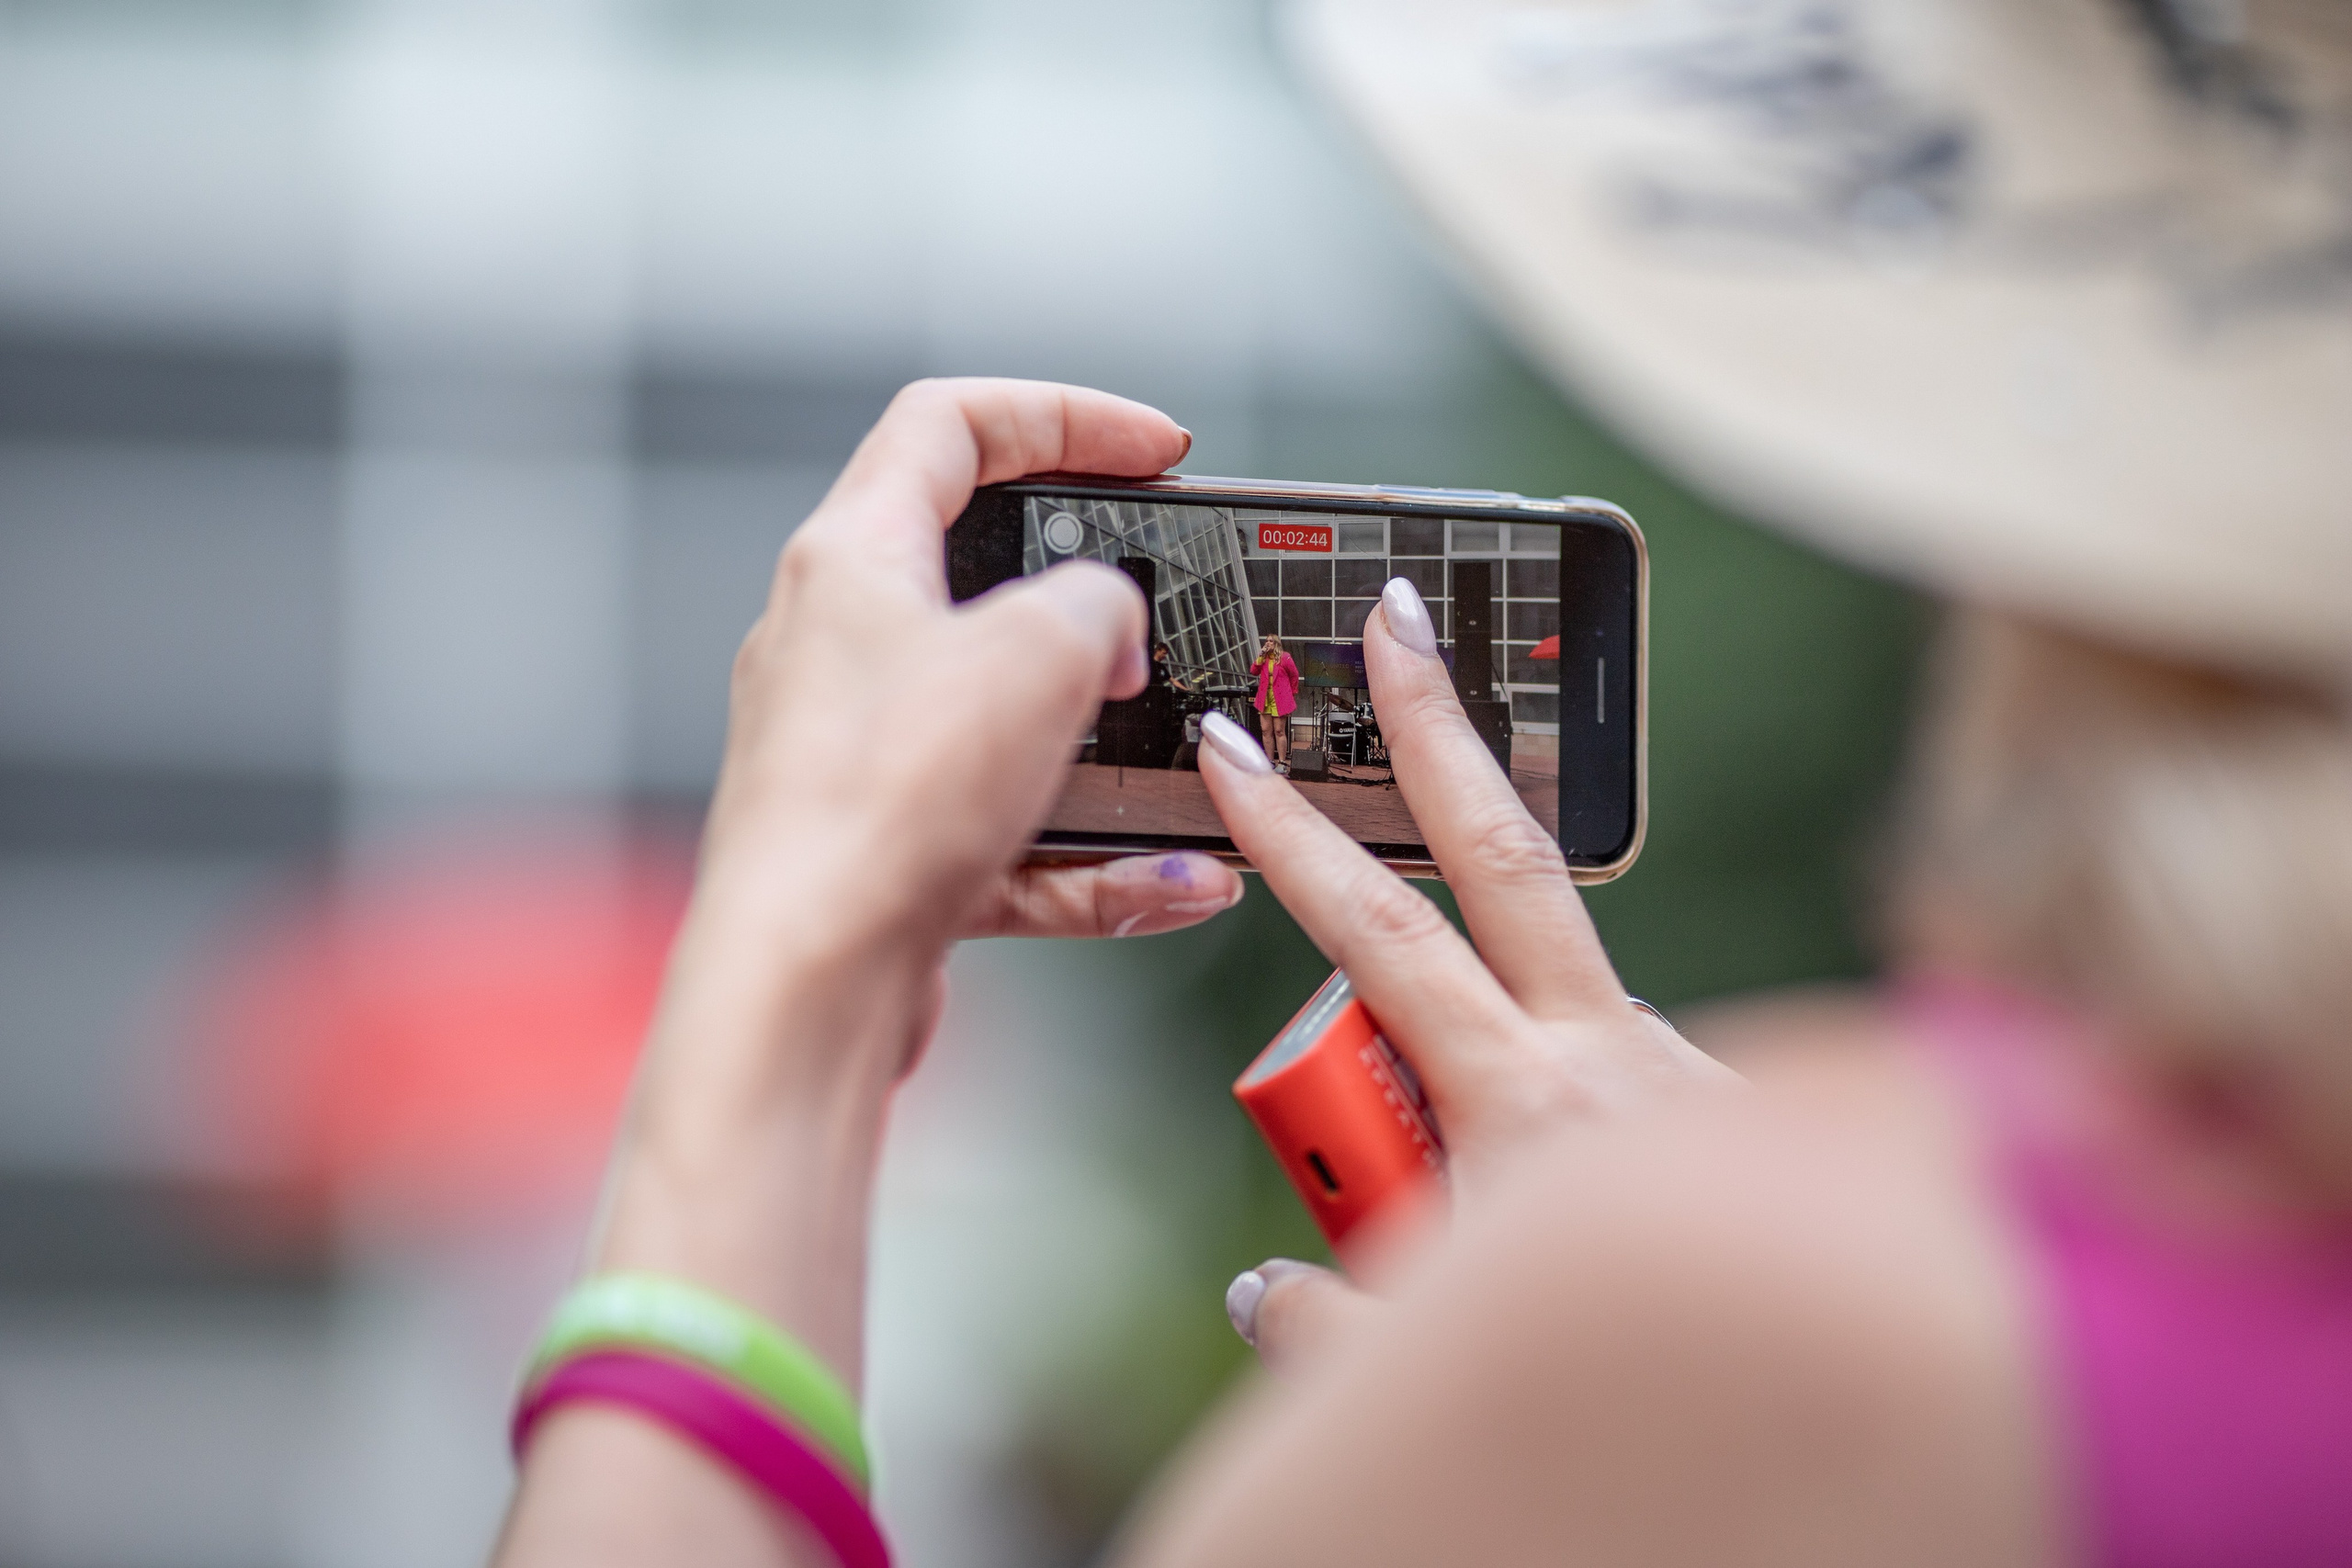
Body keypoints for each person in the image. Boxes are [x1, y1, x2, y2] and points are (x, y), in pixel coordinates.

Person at [1250, 633, 1298, 773]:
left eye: (1271, 641)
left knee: (1279, 730)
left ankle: (1282, 762)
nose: (1268, 643)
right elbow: (1253, 671)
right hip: (1265, 697)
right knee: (1266, 731)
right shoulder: (1263, 658)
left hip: (1280, 697)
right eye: (1266, 641)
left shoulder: (1285, 657)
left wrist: (1292, 694)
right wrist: (1260, 655)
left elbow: (1294, 675)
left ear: (1276, 643)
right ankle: (1269, 761)